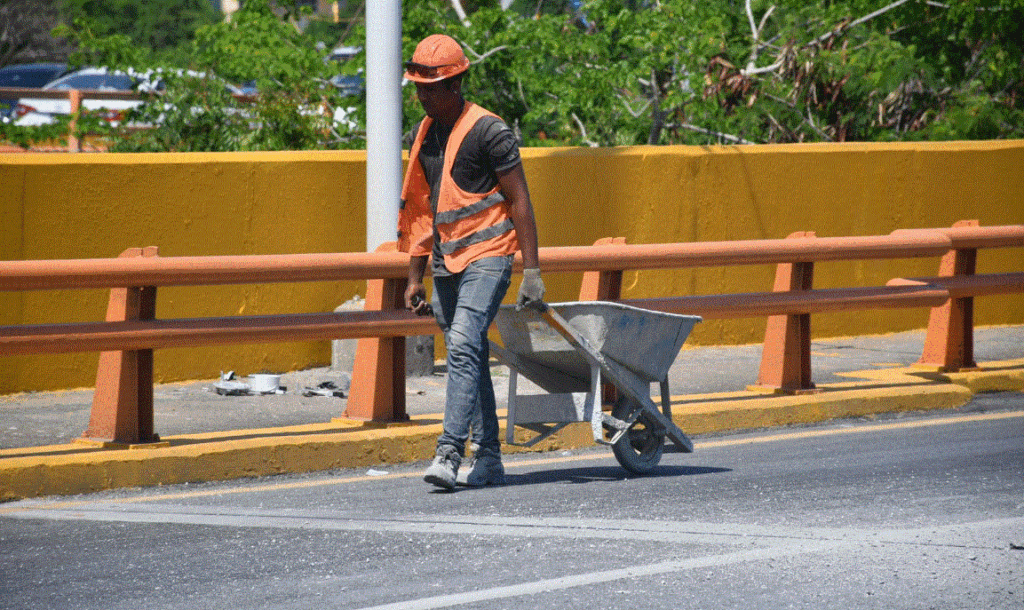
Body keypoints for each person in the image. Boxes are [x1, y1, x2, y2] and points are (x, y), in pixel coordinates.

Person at [398, 34, 544, 490]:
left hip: (490, 256)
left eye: (431, 86)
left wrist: (533, 271)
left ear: (456, 84)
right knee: (471, 351)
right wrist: (414, 276)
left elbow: (520, 200)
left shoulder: (490, 132)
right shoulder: (421, 136)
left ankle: (448, 452)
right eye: (418, 86)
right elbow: (421, 209)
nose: (422, 94)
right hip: (446, 259)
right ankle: (491, 458)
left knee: (462, 343)